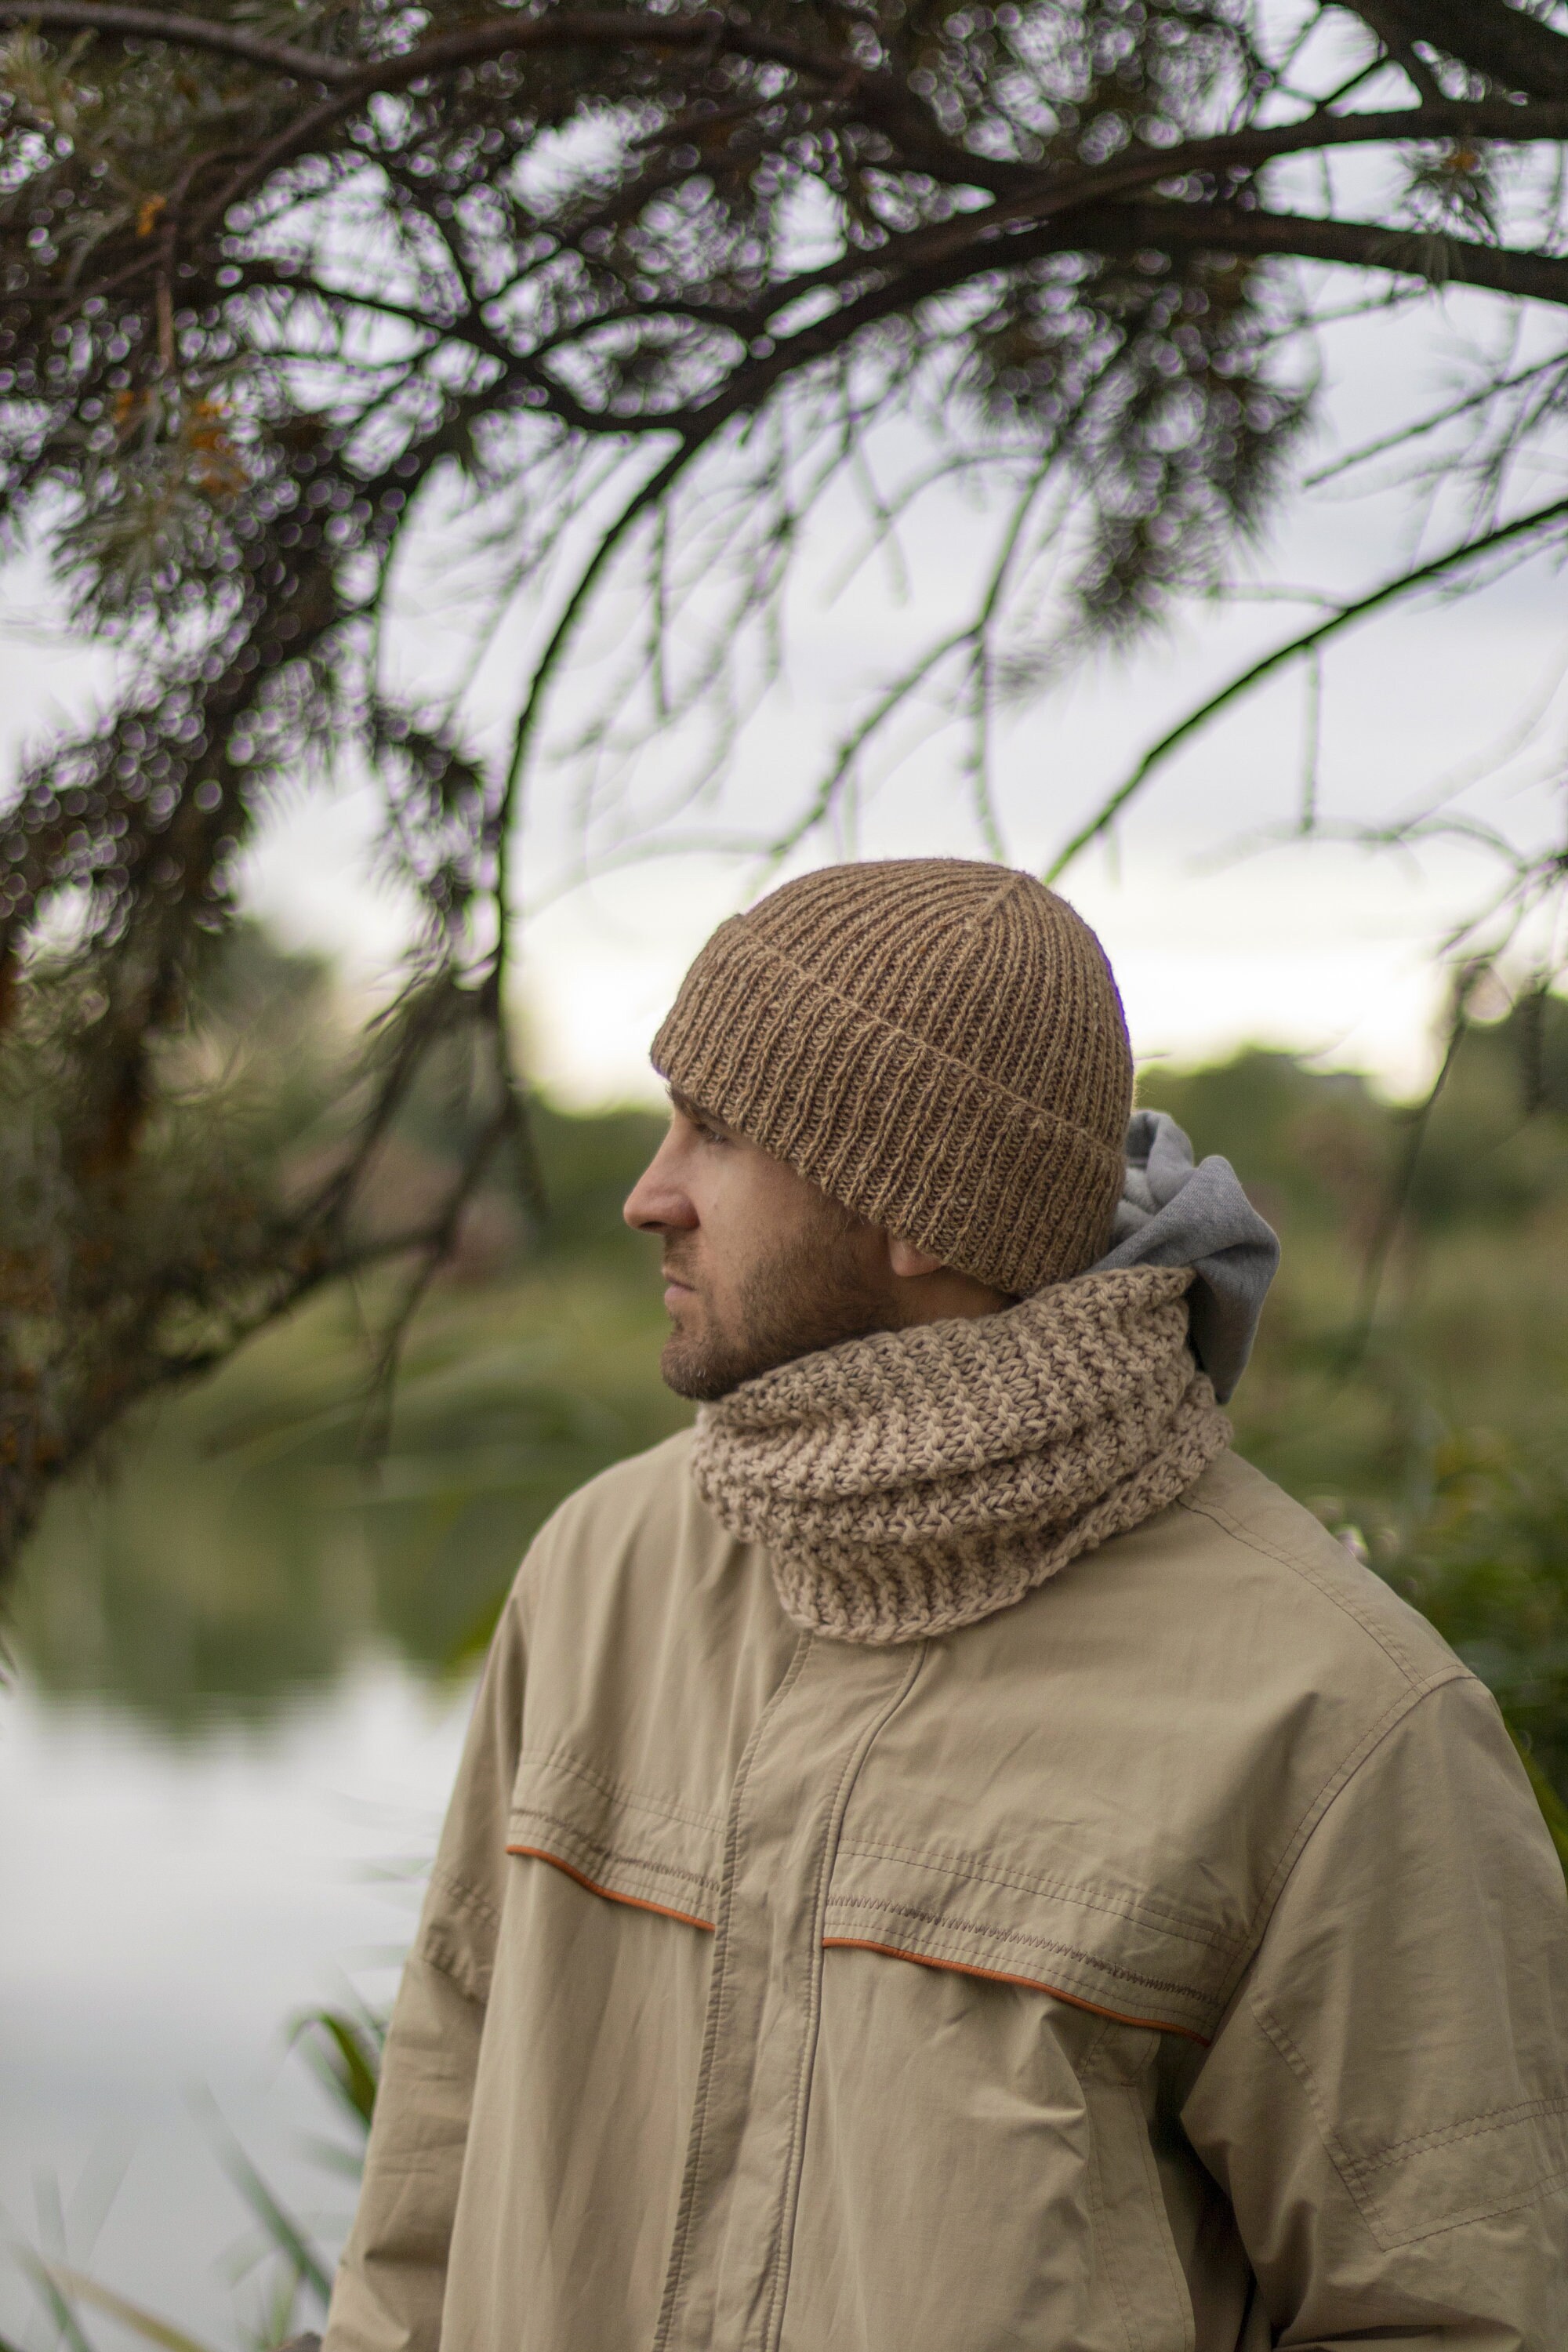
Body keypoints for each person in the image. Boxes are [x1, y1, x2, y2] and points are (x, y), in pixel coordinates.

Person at [324, 859, 1568, 2351]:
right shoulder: (601, 1571)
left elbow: (1454, 2305)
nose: (651, 1195)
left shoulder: (1345, 1720)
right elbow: (439, 2125)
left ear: (920, 1206)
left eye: (715, 1132)